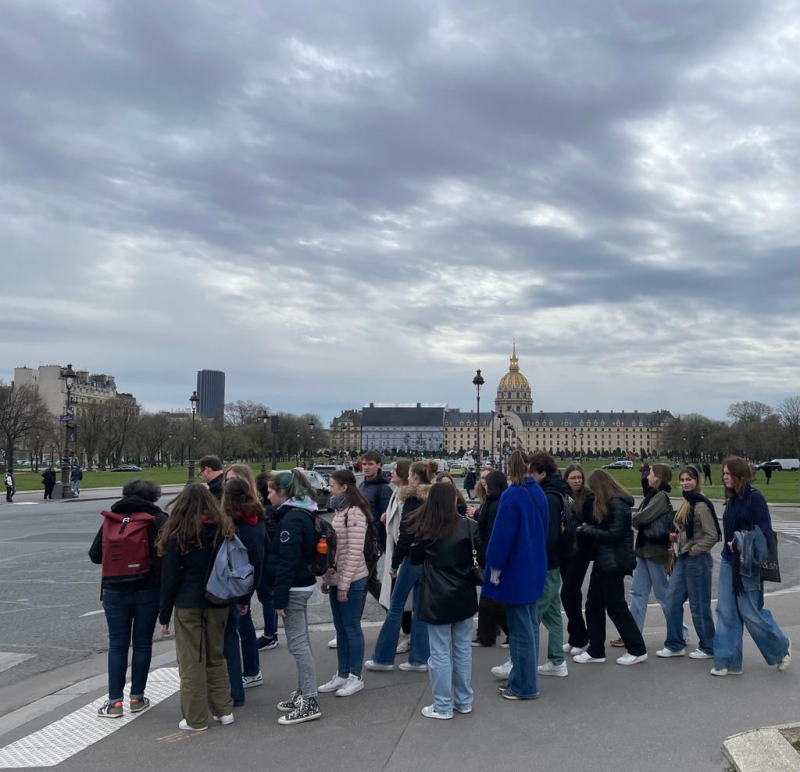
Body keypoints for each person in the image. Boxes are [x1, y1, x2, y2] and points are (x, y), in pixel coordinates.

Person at [157, 484, 236, 731]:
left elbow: (169, 578)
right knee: (216, 657)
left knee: (191, 661)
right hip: (218, 600)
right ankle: (224, 710)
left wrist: (164, 613)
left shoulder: (178, 533)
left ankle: (195, 718)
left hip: (188, 601)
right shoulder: (223, 530)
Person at [89, 479, 168, 718]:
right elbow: (165, 556)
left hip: (114, 589)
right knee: (143, 643)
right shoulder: (158, 518)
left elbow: (95, 555)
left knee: (118, 645)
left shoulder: (112, 518)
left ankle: (114, 703)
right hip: (147, 588)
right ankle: (137, 697)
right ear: (153, 496)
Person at [410, 482, 485, 719]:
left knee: (440, 652)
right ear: (454, 500)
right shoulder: (469, 526)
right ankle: (463, 700)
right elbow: (481, 555)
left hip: (436, 595)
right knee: (462, 650)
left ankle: (443, 705)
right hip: (463, 592)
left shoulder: (426, 528)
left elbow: (414, 558)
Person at [712, 457, 791, 677]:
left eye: (728, 473)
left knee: (751, 613)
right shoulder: (732, 499)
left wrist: (739, 541)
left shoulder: (755, 498)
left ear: (740, 475)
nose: (724, 477)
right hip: (729, 561)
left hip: (748, 566)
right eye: (723, 474)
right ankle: (728, 661)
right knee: (726, 611)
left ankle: (781, 647)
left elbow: (764, 533)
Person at [484, 450, 548, 700]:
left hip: (516, 570)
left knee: (520, 632)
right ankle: (523, 679)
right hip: (534, 565)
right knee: (529, 627)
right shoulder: (538, 492)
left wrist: (495, 568)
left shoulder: (512, 495)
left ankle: (525, 685)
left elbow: (501, 539)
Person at [365, 460, 436, 673]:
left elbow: (405, 535)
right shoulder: (434, 497)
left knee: (395, 607)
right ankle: (419, 659)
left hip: (411, 558)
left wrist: (395, 563)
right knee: (419, 609)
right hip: (429, 558)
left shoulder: (412, 498)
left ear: (413, 476)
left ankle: (382, 658)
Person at [266, 470, 322, 724]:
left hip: (294, 587)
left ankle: (310, 699)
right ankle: (304, 692)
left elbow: (287, 561)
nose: (267, 496)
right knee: (302, 643)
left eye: (270, 491)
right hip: (302, 582)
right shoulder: (303, 513)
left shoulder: (290, 520)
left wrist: (278, 599)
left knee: (298, 645)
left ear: (283, 493)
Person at [575, 470, 647, 665]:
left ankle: (637, 649)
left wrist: (587, 530)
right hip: (604, 561)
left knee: (616, 607)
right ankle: (596, 650)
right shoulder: (612, 503)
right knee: (593, 605)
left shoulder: (617, 504)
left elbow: (614, 534)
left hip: (613, 562)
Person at [656, 465, 720, 660]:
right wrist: (678, 537)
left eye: (689, 479)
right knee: (672, 600)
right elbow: (691, 531)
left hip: (697, 560)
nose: (685, 483)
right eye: (682, 480)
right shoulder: (687, 502)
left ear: (697, 481)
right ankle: (675, 644)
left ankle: (709, 646)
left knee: (699, 605)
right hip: (684, 558)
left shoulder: (700, 504)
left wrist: (694, 550)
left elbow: (713, 535)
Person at [318, 470, 370, 697]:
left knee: (351, 628)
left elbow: (354, 553)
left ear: (344, 488)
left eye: (332, 485)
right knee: (340, 629)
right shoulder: (340, 511)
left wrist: (344, 585)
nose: (329, 488)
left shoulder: (354, 513)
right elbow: (335, 551)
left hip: (353, 578)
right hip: (340, 577)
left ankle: (355, 676)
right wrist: (329, 579)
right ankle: (342, 673)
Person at [627, 464, 688, 646]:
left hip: (654, 550)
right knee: (637, 593)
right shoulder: (653, 495)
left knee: (663, 594)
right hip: (645, 550)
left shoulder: (660, 497)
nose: (647, 476)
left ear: (658, 478)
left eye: (651, 474)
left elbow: (640, 518)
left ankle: (681, 631)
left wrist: (637, 520)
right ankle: (633, 633)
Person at [220, 477, 266, 706]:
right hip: (245, 586)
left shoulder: (233, 523)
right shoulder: (256, 519)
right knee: (243, 631)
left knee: (230, 638)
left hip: (232, 587)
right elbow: (258, 558)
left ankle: (235, 686)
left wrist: (242, 597)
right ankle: (250, 672)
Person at [528, 452, 568, 678]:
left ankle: (520, 661)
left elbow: (549, 535)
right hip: (552, 561)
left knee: (531, 614)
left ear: (542, 473)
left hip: (547, 562)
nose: (528, 477)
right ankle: (557, 661)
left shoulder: (549, 497)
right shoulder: (555, 492)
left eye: (531, 473)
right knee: (552, 615)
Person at [559, 463, 595, 656]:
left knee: (568, 593)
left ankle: (581, 637)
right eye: (573, 477)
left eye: (579, 477)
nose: (576, 481)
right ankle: (575, 636)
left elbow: (592, 522)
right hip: (565, 550)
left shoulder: (589, 497)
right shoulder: (562, 496)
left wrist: (580, 527)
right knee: (572, 595)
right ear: (566, 479)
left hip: (580, 551)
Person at [378, 460, 414, 654]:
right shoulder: (397, 492)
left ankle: (408, 635)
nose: (390, 472)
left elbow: (405, 528)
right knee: (399, 598)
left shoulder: (405, 495)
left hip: (401, 553)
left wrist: (395, 561)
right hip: (395, 549)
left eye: (394, 469)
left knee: (401, 598)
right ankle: (407, 633)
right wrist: (387, 516)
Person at [474, 470, 509, 648]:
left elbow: (494, 535)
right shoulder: (493, 502)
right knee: (488, 598)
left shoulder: (497, 504)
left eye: (488, 484)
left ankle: (510, 632)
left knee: (493, 599)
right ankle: (486, 636)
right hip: (488, 555)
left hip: (492, 558)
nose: (485, 486)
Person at [255, 472, 279, 651]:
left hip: (266, 560)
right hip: (268, 559)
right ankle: (271, 633)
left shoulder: (267, 510)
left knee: (266, 597)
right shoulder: (271, 509)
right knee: (267, 597)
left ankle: (270, 634)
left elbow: (269, 536)